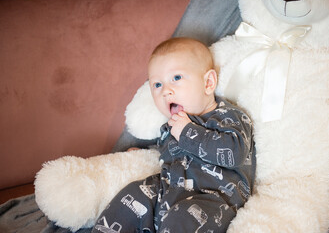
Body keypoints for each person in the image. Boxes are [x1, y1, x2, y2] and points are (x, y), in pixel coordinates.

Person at [92, 37, 256, 233]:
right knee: (133, 195)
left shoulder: (226, 116)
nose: (166, 91)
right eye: (157, 85)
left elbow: (234, 153)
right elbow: (171, 152)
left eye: (176, 78)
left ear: (208, 83)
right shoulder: (172, 125)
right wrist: (144, 152)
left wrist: (188, 132)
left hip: (212, 199)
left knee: (184, 218)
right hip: (168, 191)